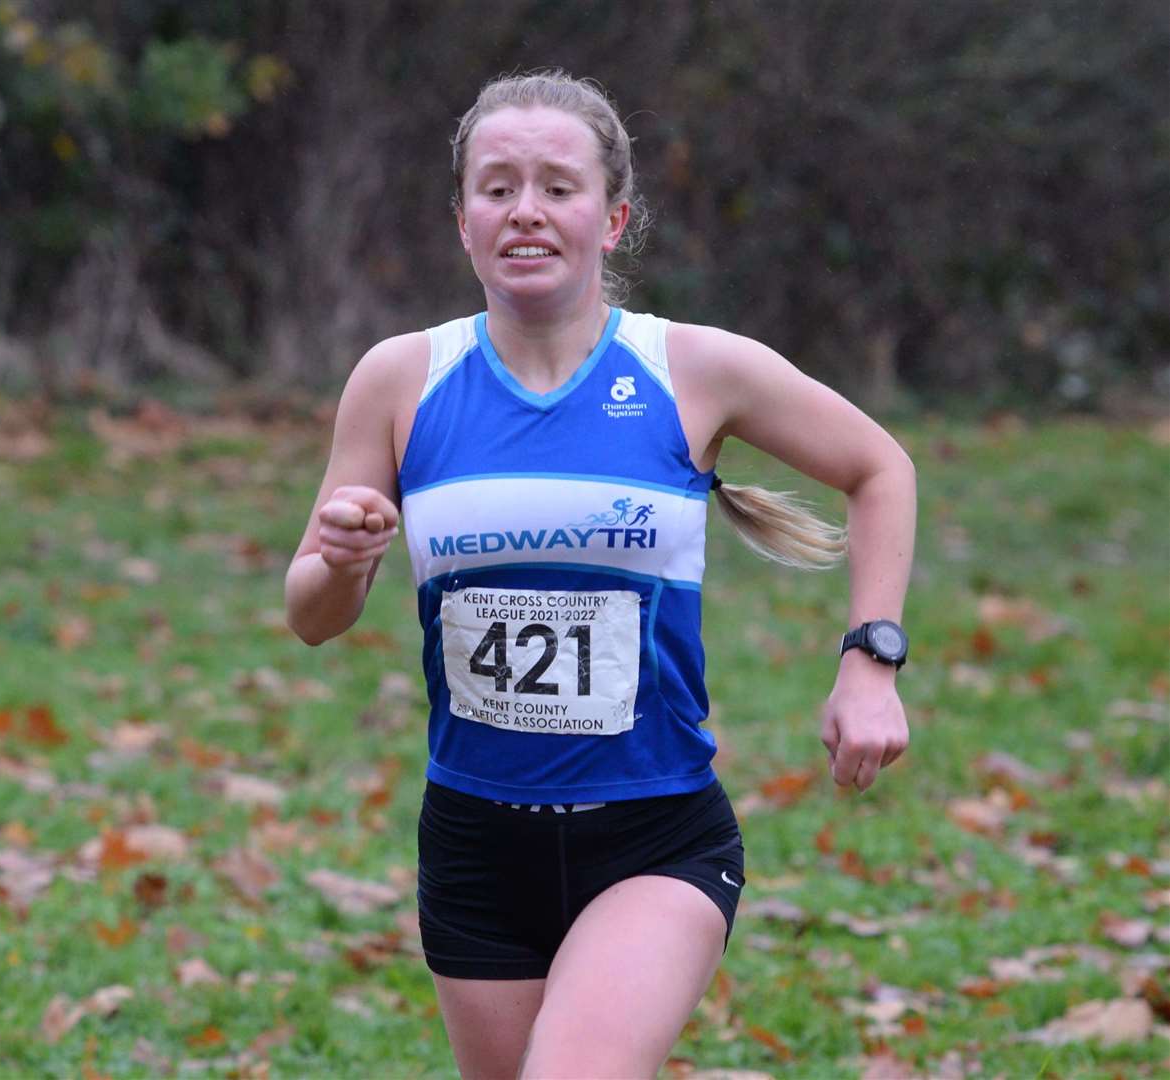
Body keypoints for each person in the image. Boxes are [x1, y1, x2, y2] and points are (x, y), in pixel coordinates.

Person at [285, 70, 915, 1079]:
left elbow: (880, 468)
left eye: (557, 186)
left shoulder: (691, 371)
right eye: (497, 187)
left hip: (655, 839)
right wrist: (339, 557)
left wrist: (870, 661)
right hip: (475, 845)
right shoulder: (401, 380)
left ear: (613, 217)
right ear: (463, 222)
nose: (525, 210)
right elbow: (313, 617)